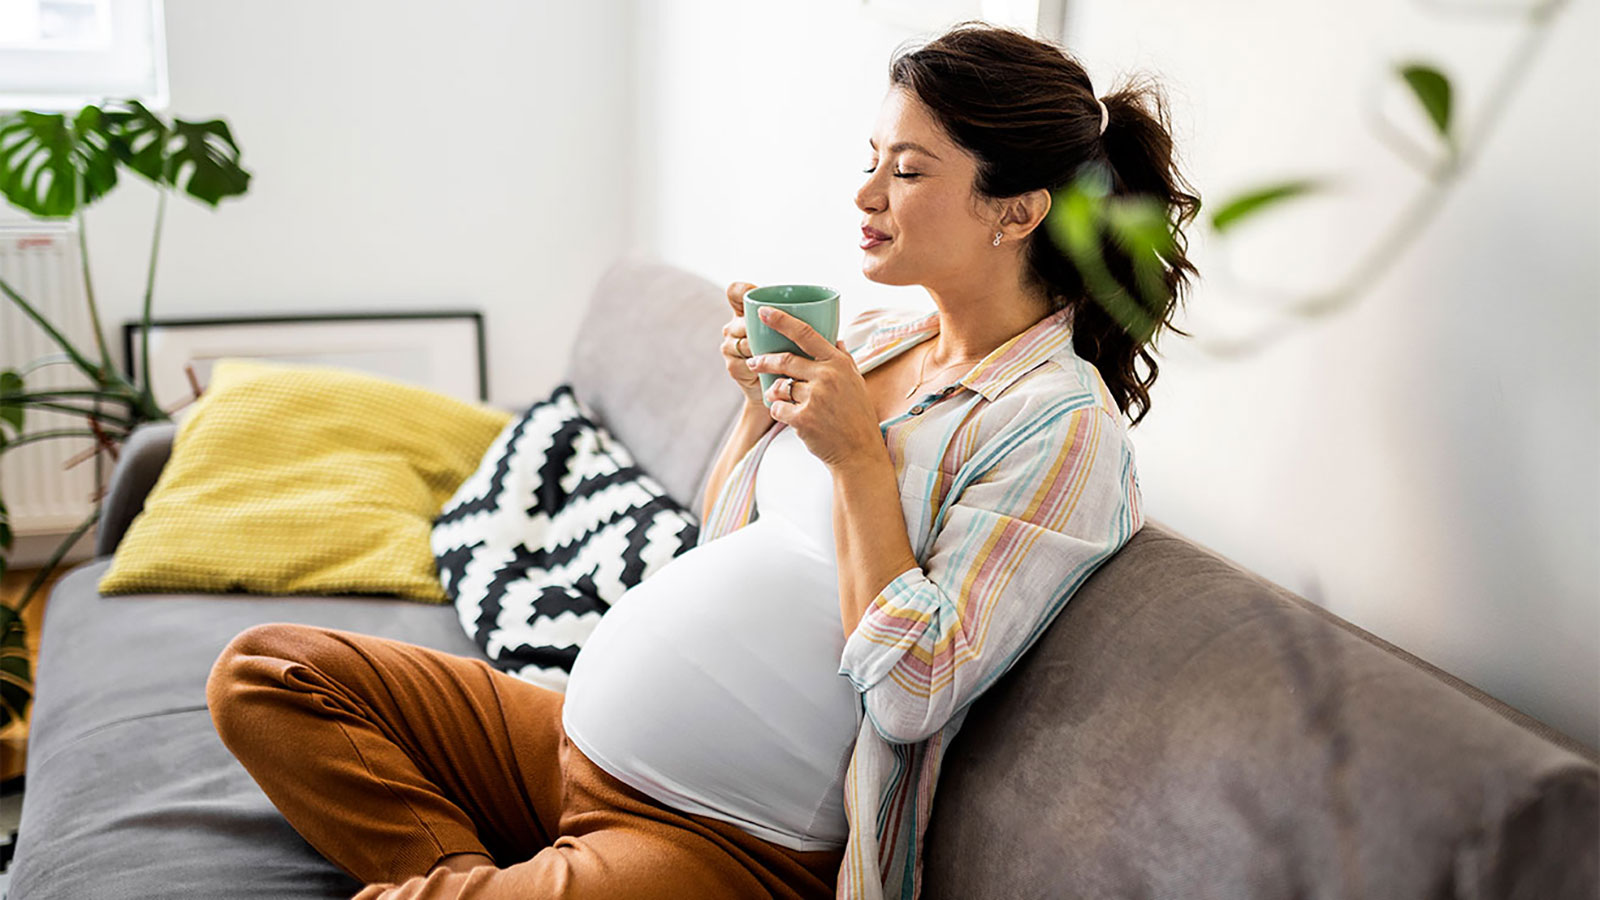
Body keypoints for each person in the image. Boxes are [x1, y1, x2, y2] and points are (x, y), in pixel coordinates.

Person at [204, 20, 1198, 900]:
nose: (864, 191)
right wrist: (757, 417)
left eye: (907, 169)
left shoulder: (1061, 431)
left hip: (722, 840)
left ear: (1014, 210)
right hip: (568, 745)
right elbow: (723, 541)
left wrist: (856, 459)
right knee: (265, 672)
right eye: (872, 158)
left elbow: (915, 689)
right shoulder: (885, 340)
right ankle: (492, 880)